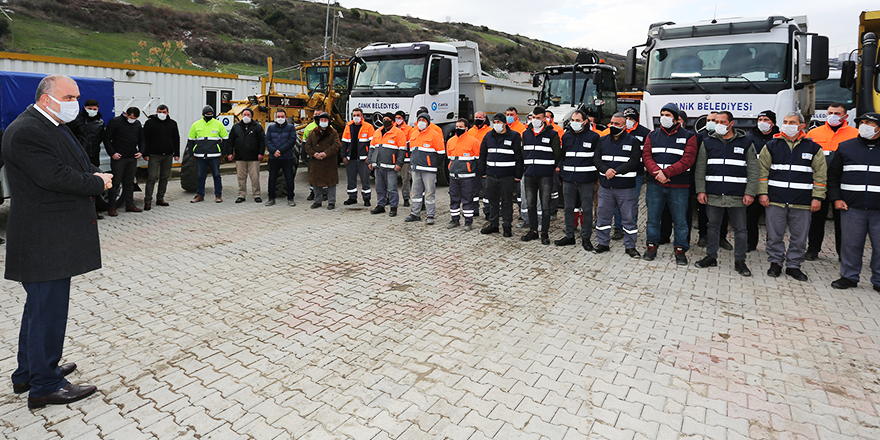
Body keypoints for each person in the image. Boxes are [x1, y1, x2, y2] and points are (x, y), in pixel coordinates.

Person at [3, 74, 112, 409]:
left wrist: (96, 173)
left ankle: (28, 372)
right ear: (47, 98)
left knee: (39, 311)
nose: (75, 103)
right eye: (69, 97)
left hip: (51, 236)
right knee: (47, 313)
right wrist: (97, 183)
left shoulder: (51, 125)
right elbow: (53, 176)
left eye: (76, 97)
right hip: (43, 239)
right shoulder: (27, 130)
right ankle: (45, 385)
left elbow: (76, 161)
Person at [757, 111, 827, 281]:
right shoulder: (772, 146)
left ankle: (794, 266)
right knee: (774, 235)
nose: (788, 125)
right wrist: (762, 193)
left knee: (799, 237)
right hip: (775, 200)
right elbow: (762, 172)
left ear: (801, 126)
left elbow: (820, 174)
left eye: (792, 122)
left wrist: (817, 197)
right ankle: (775, 263)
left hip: (802, 202)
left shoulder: (813, 148)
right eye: (785, 121)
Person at [693, 111, 759, 276]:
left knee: (741, 229)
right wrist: (700, 190)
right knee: (712, 227)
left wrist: (750, 192)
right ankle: (710, 257)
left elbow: (753, 169)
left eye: (722, 121)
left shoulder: (746, 142)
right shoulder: (708, 142)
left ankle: (740, 261)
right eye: (716, 121)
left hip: (737, 195)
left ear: (731, 123)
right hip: (713, 194)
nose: (718, 124)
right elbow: (700, 168)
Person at [827, 112, 880, 291]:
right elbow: (833, 176)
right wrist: (836, 198)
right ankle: (849, 277)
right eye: (862, 122)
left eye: (869, 123)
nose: (864, 125)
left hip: (878, 209)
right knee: (851, 245)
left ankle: (879, 280)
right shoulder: (845, 147)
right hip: (851, 207)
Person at [642, 103, 698, 265]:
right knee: (653, 219)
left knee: (680, 221)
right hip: (655, 185)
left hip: (678, 187)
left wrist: (666, 173)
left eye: (667, 114)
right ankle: (651, 246)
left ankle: (680, 250)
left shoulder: (689, 136)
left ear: (675, 118)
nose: (664, 117)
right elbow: (647, 156)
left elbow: (688, 160)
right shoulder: (653, 135)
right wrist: (657, 173)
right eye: (662, 114)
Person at [804, 103, 859, 261]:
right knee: (816, 218)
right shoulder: (814, 133)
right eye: (830, 112)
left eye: (837, 113)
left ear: (845, 116)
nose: (832, 115)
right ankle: (813, 249)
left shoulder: (855, 134)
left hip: (843, 184)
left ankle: (843, 253)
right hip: (819, 183)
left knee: (843, 221)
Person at [593, 113, 643, 257]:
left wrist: (616, 171)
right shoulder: (602, 140)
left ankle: (630, 246)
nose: (613, 126)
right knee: (603, 216)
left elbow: (634, 161)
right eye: (612, 123)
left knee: (628, 218)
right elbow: (596, 159)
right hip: (606, 186)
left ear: (624, 126)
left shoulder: (633, 141)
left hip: (626, 188)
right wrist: (606, 170)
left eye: (617, 124)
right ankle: (603, 243)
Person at [554, 109, 599, 250]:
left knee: (586, 209)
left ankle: (586, 238)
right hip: (568, 179)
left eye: (577, 121)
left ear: (585, 122)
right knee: (568, 208)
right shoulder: (566, 136)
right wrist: (561, 169)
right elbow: (562, 156)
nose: (574, 123)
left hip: (586, 180)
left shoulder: (594, 137)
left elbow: (597, 158)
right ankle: (569, 236)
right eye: (572, 120)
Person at [519, 106, 561, 245]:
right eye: (533, 117)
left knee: (545, 206)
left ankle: (544, 232)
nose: (535, 120)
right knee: (531, 204)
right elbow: (523, 153)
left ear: (544, 119)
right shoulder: (526, 134)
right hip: (529, 174)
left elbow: (557, 154)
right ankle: (533, 231)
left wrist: (550, 167)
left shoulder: (552, 134)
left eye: (538, 118)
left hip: (545, 176)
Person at [479, 112, 524, 237]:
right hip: (491, 175)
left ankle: (507, 226)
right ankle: (494, 224)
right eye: (495, 122)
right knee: (492, 201)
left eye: (499, 122)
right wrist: (482, 171)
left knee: (507, 202)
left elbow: (518, 157)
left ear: (504, 123)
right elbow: (482, 155)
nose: (497, 125)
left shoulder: (514, 136)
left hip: (507, 176)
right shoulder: (488, 136)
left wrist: (518, 174)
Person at [610, 107, 650, 240]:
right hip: (618, 172)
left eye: (631, 119)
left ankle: (630, 227)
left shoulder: (645, 133)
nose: (628, 121)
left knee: (631, 202)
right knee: (617, 202)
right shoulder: (618, 131)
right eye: (626, 118)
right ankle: (618, 228)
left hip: (636, 173)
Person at [745, 110, 779, 252]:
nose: (762, 122)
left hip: (772, 183)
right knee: (751, 217)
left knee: (773, 220)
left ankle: (772, 246)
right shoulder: (749, 138)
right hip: (754, 182)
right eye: (760, 119)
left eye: (766, 119)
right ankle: (750, 244)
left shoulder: (778, 138)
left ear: (773, 123)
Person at [404, 113, 445, 224]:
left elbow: (441, 153)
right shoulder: (413, 133)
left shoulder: (435, 135)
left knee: (429, 193)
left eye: (424, 120)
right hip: (416, 169)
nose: (421, 121)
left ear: (428, 122)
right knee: (415, 192)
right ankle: (415, 213)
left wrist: (432, 164)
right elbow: (410, 149)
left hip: (429, 170)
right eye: (420, 119)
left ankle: (430, 215)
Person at [68, 98, 106, 219]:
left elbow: (100, 138)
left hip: (94, 155)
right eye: (90, 109)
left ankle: (93, 211)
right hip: (80, 156)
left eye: (95, 109)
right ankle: (77, 211)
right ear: (84, 108)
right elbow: (70, 137)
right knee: (80, 183)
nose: (92, 111)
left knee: (94, 183)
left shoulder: (100, 122)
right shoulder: (76, 120)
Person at [104, 106, 144, 215]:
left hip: (132, 157)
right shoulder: (115, 122)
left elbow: (141, 139)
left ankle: (129, 205)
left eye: (135, 118)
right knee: (116, 182)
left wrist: (141, 151)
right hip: (119, 158)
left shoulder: (137, 124)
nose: (133, 120)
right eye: (131, 117)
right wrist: (112, 153)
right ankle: (111, 207)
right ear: (126, 114)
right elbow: (107, 138)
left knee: (129, 182)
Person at [187, 105, 228, 203]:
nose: (209, 115)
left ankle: (218, 195)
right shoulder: (196, 125)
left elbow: (226, 139)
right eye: (207, 114)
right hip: (200, 156)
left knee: (216, 175)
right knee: (200, 176)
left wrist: (223, 152)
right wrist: (191, 153)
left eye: (211, 114)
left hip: (214, 156)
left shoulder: (218, 124)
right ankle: (200, 195)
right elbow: (191, 140)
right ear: (203, 114)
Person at [142, 104, 180, 210]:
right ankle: (148, 200)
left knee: (164, 177)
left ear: (167, 112)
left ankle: (160, 198)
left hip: (168, 155)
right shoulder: (150, 123)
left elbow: (176, 139)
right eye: (159, 112)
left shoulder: (172, 124)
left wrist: (177, 153)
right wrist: (145, 153)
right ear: (156, 112)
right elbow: (145, 139)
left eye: (163, 112)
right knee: (152, 177)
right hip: (154, 155)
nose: (161, 114)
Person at [446, 118, 481, 230]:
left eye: (460, 127)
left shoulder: (474, 142)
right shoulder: (450, 141)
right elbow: (449, 158)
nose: (458, 129)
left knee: (467, 199)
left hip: (468, 177)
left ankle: (468, 222)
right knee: (454, 199)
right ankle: (454, 219)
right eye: (457, 126)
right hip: (454, 176)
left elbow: (478, 160)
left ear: (466, 128)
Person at [369, 112, 406, 217]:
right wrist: (371, 161)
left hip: (391, 166)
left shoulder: (398, 133)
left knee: (392, 188)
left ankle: (393, 207)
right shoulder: (378, 131)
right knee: (379, 187)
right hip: (378, 165)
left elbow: (402, 150)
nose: (385, 121)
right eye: (384, 119)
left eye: (388, 119)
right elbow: (372, 148)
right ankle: (381, 205)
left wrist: (399, 164)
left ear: (393, 121)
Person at [227, 108, 265, 204]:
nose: (246, 116)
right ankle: (241, 195)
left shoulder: (257, 127)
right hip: (240, 157)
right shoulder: (236, 126)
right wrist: (230, 153)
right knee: (241, 178)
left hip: (254, 158)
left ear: (252, 116)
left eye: (248, 114)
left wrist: (261, 153)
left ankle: (256, 195)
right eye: (244, 114)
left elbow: (262, 141)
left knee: (255, 177)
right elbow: (230, 141)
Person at [305, 112, 340, 209]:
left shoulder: (333, 132)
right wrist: (313, 154)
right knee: (316, 182)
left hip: (329, 161)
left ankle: (331, 202)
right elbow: (307, 145)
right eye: (321, 120)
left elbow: (336, 145)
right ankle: (317, 201)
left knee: (331, 183)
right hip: (316, 161)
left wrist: (326, 153)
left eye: (325, 120)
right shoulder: (312, 132)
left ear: (328, 121)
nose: (323, 122)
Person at [265, 110, 298, 206]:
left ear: (286, 117)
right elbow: (268, 140)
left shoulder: (291, 128)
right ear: (275, 118)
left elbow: (291, 140)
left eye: (282, 116)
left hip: (287, 158)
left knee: (289, 178)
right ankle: (271, 198)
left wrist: (280, 151)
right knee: (272, 178)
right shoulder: (271, 128)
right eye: (278, 116)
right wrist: (274, 151)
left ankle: (291, 198)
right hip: (274, 158)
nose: (280, 118)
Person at [341, 108, 374, 207]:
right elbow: (344, 143)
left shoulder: (368, 127)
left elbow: (373, 145)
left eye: (358, 115)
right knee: (351, 180)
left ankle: (366, 199)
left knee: (365, 180)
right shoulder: (348, 127)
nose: (356, 117)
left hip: (364, 160)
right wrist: (343, 156)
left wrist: (370, 157)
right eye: (354, 115)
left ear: (362, 116)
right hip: (351, 159)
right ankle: (352, 198)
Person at [468, 111, 492, 217]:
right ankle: (474, 209)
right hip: (472, 162)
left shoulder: (490, 131)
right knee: (473, 187)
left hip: (485, 161)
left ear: (484, 118)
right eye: (476, 117)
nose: (478, 119)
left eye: (480, 117)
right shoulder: (470, 131)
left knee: (486, 187)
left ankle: (488, 210)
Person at [394, 110, 414, 207]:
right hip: (394, 157)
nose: (398, 120)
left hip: (405, 158)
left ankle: (406, 198)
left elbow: (410, 143)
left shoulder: (409, 129)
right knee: (391, 179)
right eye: (396, 118)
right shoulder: (392, 128)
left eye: (399, 118)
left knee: (405, 179)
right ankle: (390, 198)